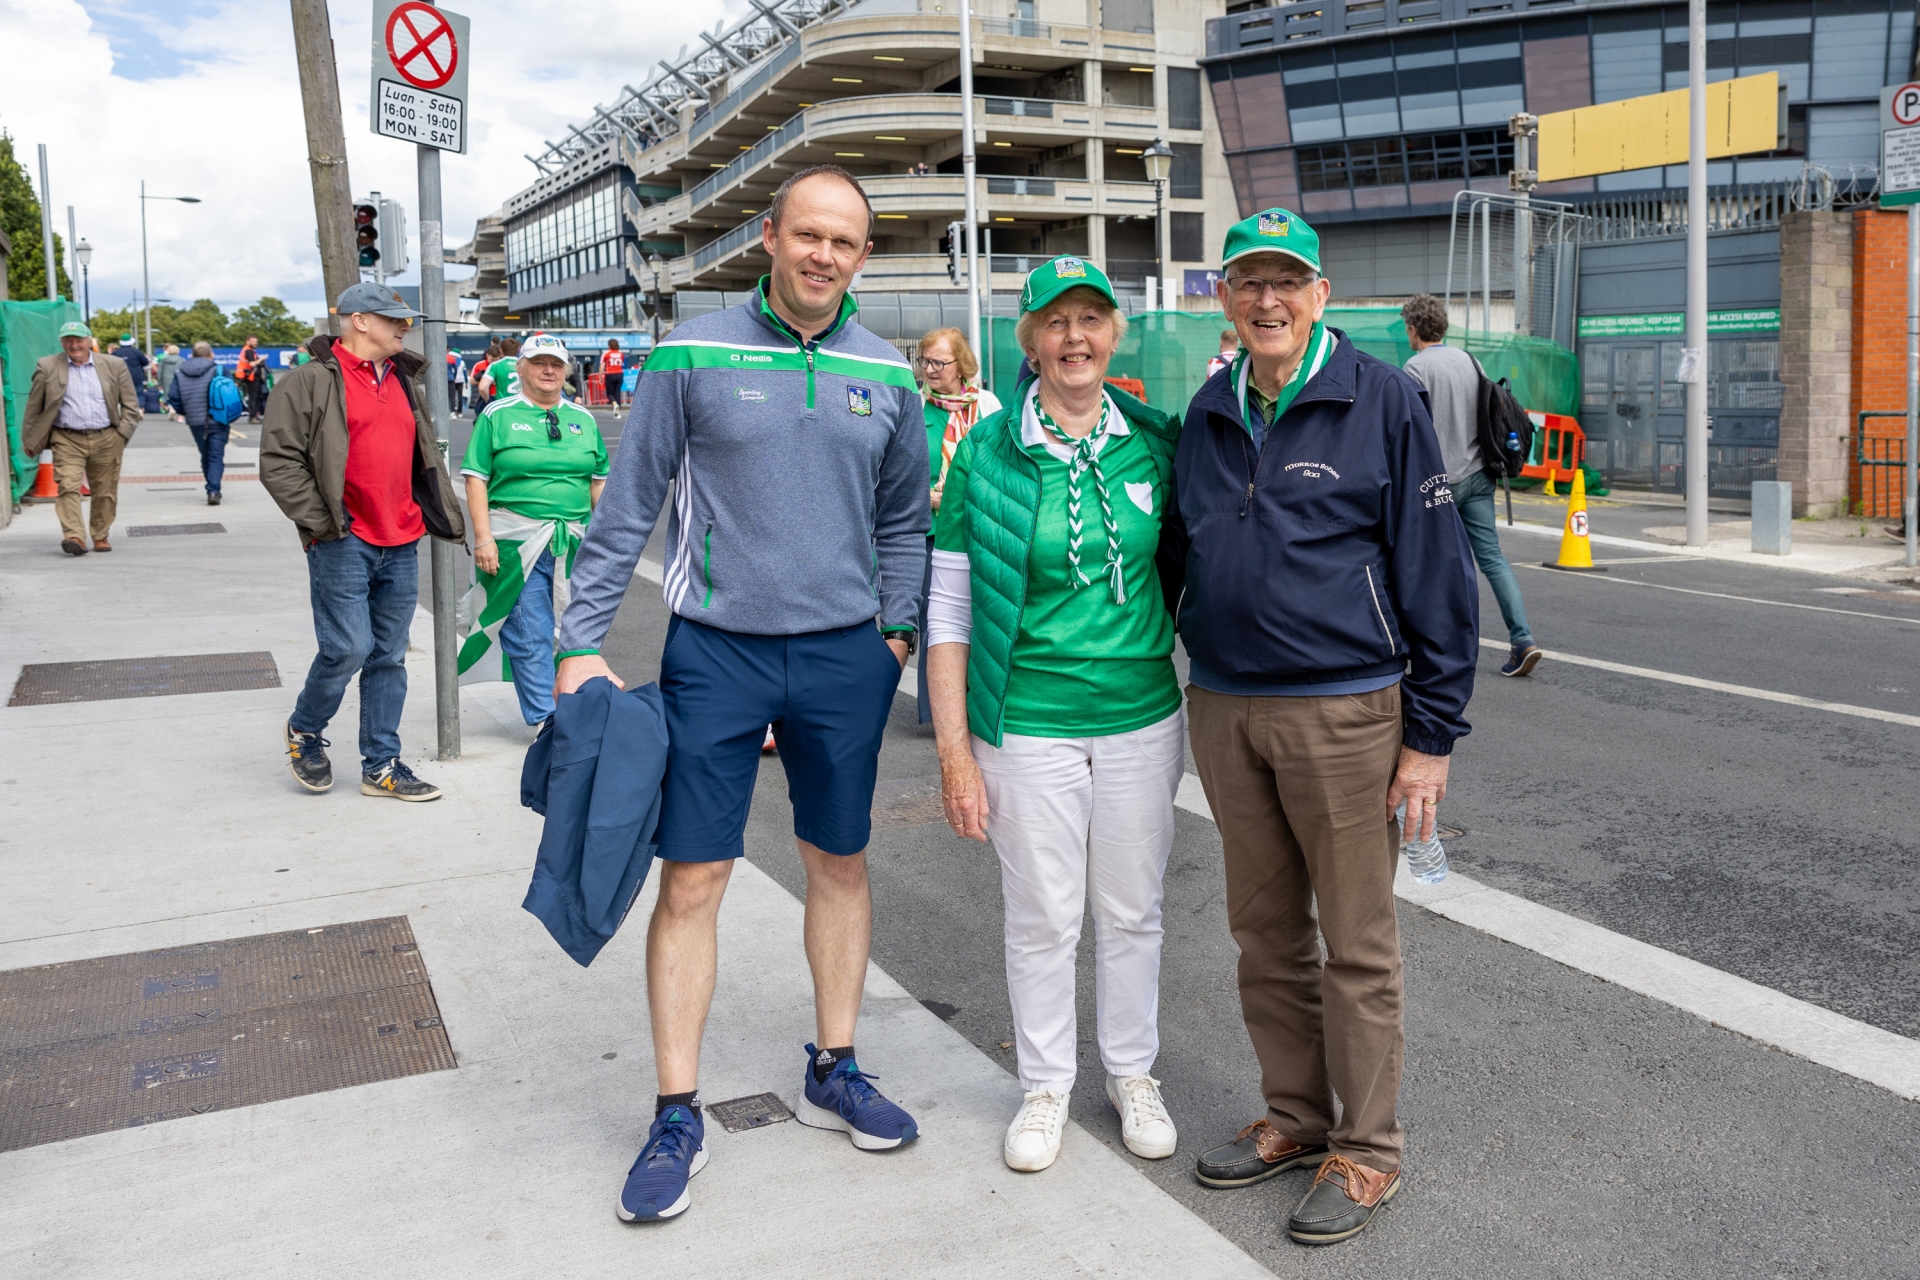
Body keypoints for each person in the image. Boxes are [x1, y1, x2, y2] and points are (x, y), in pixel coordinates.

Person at [551, 164, 926, 1223]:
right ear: (769, 235)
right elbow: (627, 505)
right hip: (716, 652)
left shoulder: (888, 372)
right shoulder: (691, 351)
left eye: (844, 241)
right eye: (808, 234)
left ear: (863, 255)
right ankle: (677, 1111)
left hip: (845, 654)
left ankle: (834, 1067)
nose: (824, 255)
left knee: (838, 860)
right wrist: (579, 642)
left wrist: (894, 636)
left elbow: (906, 520)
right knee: (694, 877)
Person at [1165, 209, 1479, 1246]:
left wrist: (1429, 736)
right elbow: (1183, 548)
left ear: (1320, 294)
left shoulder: (1381, 397)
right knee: (1264, 936)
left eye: (1286, 281)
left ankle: (1368, 1148)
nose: (1268, 300)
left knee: (1357, 943)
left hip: (1346, 712)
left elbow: (1438, 573)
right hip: (1226, 706)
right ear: (1224, 297)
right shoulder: (1211, 406)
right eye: (1249, 282)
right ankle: (1296, 1118)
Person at [927, 257, 1185, 1174]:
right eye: (1056, 321)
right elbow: (949, 615)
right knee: (1042, 914)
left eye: (1091, 319)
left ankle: (1131, 1073)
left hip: (1142, 715)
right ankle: (1044, 1086)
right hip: (1026, 720)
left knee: (1134, 910)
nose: (1075, 337)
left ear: (1115, 334)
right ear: (1029, 340)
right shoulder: (985, 455)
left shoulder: (1155, 441)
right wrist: (955, 756)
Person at [262, 283, 466, 803]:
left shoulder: (403, 378)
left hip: (401, 536)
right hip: (342, 540)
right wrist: (324, 522)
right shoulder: (308, 381)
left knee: (389, 656)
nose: (405, 327)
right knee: (348, 648)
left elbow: (422, 453)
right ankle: (305, 728)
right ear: (359, 321)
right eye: (394, 319)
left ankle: (382, 765)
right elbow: (279, 462)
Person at [458, 333, 609, 725]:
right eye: (539, 362)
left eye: (556, 364)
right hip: (514, 543)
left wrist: (605, 542)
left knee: (573, 633)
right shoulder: (497, 415)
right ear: (520, 369)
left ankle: (569, 710)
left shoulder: (583, 419)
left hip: (572, 544)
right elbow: (476, 478)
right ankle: (547, 721)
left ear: (566, 372)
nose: (548, 370)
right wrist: (483, 538)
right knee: (530, 632)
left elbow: (598, 483)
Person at [1401, 293, 1542, 677]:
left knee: (1435, 564)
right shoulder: (1470, 360)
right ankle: (1522, 638)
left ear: (1413, 329)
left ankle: (1441, 647)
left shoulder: (1415, 368)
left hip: (1437, 483)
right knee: (1492, 559)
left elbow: (1412, 429)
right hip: (1479, 474)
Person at [914, 325, 1000, 724]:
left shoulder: (987, 405)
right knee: (937, 619)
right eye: (925, 361)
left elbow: (1002, 465)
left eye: (939, 362)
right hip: (931, 531)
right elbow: (895, 470)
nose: (930, 370)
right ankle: (941, 711)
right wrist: (928, 497)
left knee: (985, 617)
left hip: (981, 529)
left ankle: (982, 701)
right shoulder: (914, 405)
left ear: (960, 363)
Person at [22, 320, 143, 555]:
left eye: (78, 340)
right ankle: (74, 536)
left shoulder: (114, 364)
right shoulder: (47, 366)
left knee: (105, 491)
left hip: (107, 436)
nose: (74, 345)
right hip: (67, 438)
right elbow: (34, 406)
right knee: (67, 486)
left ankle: (100, 535)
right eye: (68, 340)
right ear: (61, 342)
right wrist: (30, 438)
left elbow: (130, 404)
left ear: (88, 341)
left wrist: (122, 435)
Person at [167, 341, 225, 505]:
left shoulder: (180, 372)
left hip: (195, 420)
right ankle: (213, 490)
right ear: (211, 355)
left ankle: (211, 488)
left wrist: (185, 411)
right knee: (216, 456)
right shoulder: (219, 370)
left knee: (205, 455)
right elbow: (230, 393)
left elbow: (174, 396)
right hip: (219, 419)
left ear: (192, 355)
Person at [109, 333, 153, 414]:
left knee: (123, 394)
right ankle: (138, 408)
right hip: (136, 376)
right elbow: (145, 362)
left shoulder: (116, 353)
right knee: (139, 394)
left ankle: (124, 410)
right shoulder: (136, 352)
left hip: (120, 377)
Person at [237, 336, 268, 424]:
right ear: (248, 341)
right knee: (253, 398)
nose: (255, 343)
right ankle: (252, 417)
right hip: (251, 378)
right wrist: (261, 359)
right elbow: (252, 364)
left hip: (254, 377)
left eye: (256, 341)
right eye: (253, 341)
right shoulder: (248, 351)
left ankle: (255, 416)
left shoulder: (251, 351)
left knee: (258, 397)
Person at [158, 343, 183, 416]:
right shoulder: (181, 360)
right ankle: (177, 410)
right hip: (178, 378)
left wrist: (160, 383)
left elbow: (160, 372)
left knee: (167, 394)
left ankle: (171, 408)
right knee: (178, 394)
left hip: (166, 378)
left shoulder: (163, 360)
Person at [599, 338, 624, 408]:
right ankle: (618, 407)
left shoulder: (606, 353)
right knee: (617, 392)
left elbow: (602, 366)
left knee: (609, 393)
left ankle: (614, 403)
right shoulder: (621, 353)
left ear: (609, 345)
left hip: (610, 373)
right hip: (619, 373)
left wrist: (600, 377)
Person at [445, 347, 467, 417]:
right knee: (460, 396)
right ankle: (459, 412)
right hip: (460, 380)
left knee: (452, 395)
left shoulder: (447, 358)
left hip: (451, 379)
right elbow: (464, 373)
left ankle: (453, 409)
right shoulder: (462, 362)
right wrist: (466, 381)